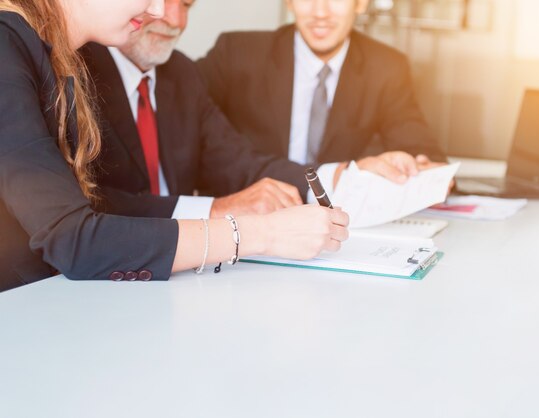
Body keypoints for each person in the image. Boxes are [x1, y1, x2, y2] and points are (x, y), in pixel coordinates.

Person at [0, 0, 349, 292]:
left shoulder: (45, 55)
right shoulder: (9, 43)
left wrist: (347, 176)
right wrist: (262, 234)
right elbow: (76, 238)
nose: (157, 10)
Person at [82, 0, 425, 220]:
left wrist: (347, 174)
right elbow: (79, 205)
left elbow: (239, 163)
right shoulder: (75, 70)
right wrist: (215, 210)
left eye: (185, 3)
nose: (173, 18)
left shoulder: (180, 74)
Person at [196, 0, 447, 173]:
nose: (320, 13)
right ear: (289, 2)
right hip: (251, 211)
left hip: (337, 219)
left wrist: (422, 169)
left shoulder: (386, 67)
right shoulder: (236, 54)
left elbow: (422, 151)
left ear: (360, 3)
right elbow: (177, 112)